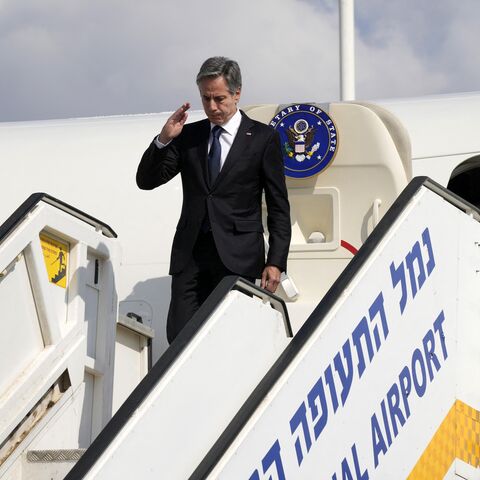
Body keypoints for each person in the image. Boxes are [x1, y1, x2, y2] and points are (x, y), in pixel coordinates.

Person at [136, 56, 291, 343]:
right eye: (205, 99)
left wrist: (276, 261)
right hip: (191, 254)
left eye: (219, 98)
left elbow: (279, 207)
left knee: (230, 337)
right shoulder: (189, 135)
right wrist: (164, 139)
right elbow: (146, 181)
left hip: (239, 256)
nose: (211, 107)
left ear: (237, 93)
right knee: (179, 338)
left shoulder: (262, 138)